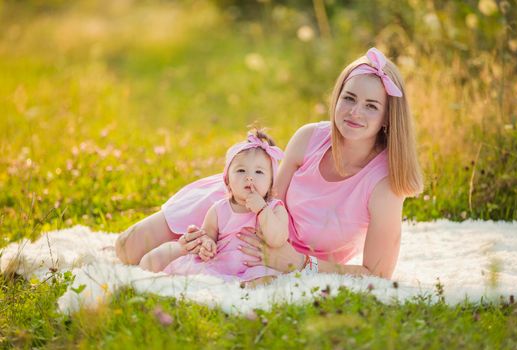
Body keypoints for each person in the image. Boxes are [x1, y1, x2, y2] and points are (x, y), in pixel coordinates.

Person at [115, 47, 423, 280]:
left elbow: (377, 275)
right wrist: (209, 234)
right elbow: (269, 197)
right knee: (128, 248)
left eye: (371, 106)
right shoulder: (309, 138)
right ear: (337, 98)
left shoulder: (385, 184)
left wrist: (301, 264)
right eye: (349, 98)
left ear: (387, 119)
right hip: (238, 205)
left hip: (274, 250)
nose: (355, 112)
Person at [156, 130, 289, 283]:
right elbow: (208, 235)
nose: (249, 177)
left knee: (267, 280)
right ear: (227, 181)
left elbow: (277, 239)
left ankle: (246, 289)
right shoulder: (219, 209)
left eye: (259, 171)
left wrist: (262, 209)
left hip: (255, 268)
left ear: (271, 184)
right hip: (221, 266)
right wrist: (207, 244)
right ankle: (224, 287)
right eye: (241, 170)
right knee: (198, 276)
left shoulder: (274, 208)